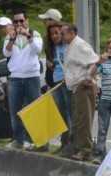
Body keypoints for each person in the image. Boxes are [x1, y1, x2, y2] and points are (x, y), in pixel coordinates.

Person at [3, 10, 42, 149]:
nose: (19, 24)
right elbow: (6, 53)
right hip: (15, 78)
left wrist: (28, 36)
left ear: (27, 21)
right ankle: (18, 140)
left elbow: (38, 50)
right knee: (15, 110)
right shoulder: (10, 36)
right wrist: (12, 39)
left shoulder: (35, 34)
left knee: (34, 110)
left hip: (32, 77)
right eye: (16, 21)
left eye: (21, 21)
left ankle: (33, 140)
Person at [61, 23, 99, 161]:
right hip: (76, 88)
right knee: (78, 119)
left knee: (84, 119)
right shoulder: (71, 46)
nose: (61, 36)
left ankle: (86, 150)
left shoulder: (81, 45)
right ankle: (79, 148)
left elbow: (95, 61)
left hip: (84, 87)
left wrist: (88, 77)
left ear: (72, 33)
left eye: (63, 33)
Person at [44, 22, 71, 154]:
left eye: (57, 32)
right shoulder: (52, 48)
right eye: (52, 34)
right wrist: (50, 64)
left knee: (69, 113)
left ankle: (70, 144)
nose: (55, 36)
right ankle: (64, 143)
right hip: (57, 82)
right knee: (61, 114)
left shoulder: (68, 45)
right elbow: (54, 64)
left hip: (67, 83)